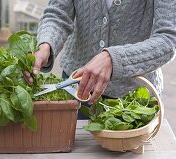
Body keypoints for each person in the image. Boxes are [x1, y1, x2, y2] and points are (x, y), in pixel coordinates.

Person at [24, 0, 176, 108]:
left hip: (135, 98)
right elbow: (58, 13)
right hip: (75, 88)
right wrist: (46, 44)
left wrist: (113, 59)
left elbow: (168, 38)